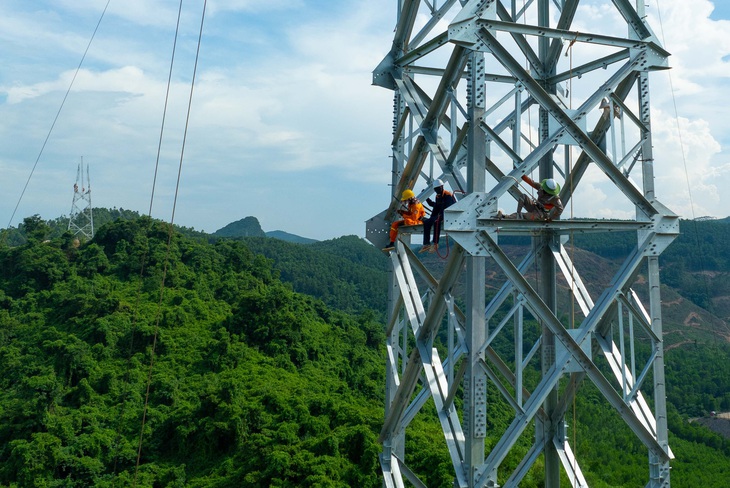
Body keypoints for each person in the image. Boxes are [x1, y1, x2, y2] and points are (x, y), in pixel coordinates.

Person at [497, 175, 564, 221]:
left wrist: (551, 218)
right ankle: (518, 214)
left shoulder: (555, 198)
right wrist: (523, 176)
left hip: (541, 214)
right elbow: (532, 182)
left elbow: (560, 209)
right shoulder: (541, 187)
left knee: (527, 216)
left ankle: (505, 217)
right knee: (523, 197)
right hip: (535, 207)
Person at [420, 179, 456, 253]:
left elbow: (448, 207)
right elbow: (435, 206)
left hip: (449, 214)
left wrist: (438, 217)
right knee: (427, 223)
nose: (437, 190)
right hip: (441, 214)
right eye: (435, 189)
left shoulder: (448, 195)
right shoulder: (438, 196)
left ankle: (435, 243)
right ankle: (426, 243)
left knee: (436, 221)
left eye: (438, 188)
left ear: (442, 187)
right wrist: (426, 198)